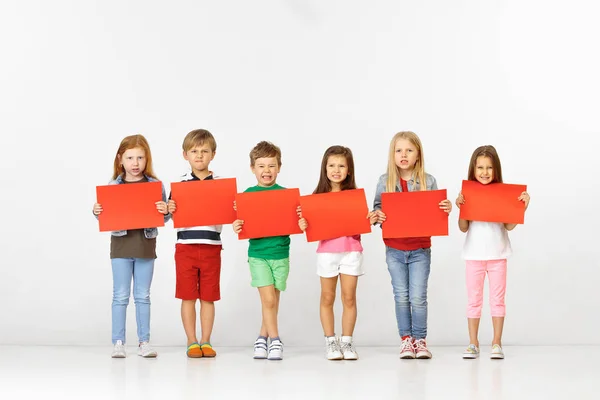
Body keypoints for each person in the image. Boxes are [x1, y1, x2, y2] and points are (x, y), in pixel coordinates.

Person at [373, 131, 452, 359]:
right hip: (395, 249)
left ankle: (420, 340)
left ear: (418, 155)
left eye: (409, 150)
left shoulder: (428, 181)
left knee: (418, 296)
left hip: (419, 249)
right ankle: (406, 340)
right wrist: (378, 216)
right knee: (401, 296)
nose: (403, 154)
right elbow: (378, 208)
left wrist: (444, 208)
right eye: (399, 150)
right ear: (392, 155)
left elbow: (435, 211)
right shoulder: (384, 181)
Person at [92, 134, 170, 358]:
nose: (135, 163)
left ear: (147, 160)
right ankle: (119, 342)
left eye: (140, 158)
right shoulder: (112, 186)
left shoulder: (155, 185)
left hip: (145, 245)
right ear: (120, 160)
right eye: (130, 158)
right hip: (121, 246)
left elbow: (163, 218)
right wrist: (96, 211)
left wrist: (165, 211)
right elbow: (106, 217)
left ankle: (144, 341)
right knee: (120, 295)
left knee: (143, 296)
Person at [298, 145, 377, 360]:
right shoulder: (317, 197)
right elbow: (308, 226)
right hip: (327, 253)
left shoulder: (354, 196)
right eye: (331, 165)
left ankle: (347, 342)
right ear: (324, 168)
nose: (336, 170)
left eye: (341, 165)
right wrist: (304, 222)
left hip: (351, 251)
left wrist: (369, 218)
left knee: (349, 298)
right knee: (327, 296)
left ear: (349, 170)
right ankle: (330, 342)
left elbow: (361, 224)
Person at [456, 145, 530, 360]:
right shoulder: (469, 193)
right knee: (474, 300)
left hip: (498, 255)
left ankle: (496, 342)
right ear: (473, 168)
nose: (485, 172)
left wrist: (521, 208)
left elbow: (508, 226)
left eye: (489, 167)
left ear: (496, 170)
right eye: (480, 167)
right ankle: (473, 343)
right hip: (474, 255)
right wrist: (461, 206)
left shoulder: (502, 194)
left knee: (498, 300)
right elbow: (463, 227)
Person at [167, 129, 223, 358]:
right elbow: (170, 215)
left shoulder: (221, 184)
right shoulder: (179, 185)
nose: (199, 156)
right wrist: (169, 209)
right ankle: (191, 341)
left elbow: (228, 214)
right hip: (185, 248)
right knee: (188, 296)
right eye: (194, 151)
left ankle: (206, 340)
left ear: (213, 154)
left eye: (204, 151)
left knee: (208, 296)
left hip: (211, 247)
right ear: (185, 155)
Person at [233, 141, 289, 360]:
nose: (267, 171)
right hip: (258, 255)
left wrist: (301, 218)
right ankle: (275, 340)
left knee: (273, 301)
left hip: (281, 254)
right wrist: (237, 225)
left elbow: (296, 222)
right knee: (268, 300)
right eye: (261, 166)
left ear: (279, 167)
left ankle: (261, 337)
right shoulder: (247, 195)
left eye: (271, 165)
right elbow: (241, 223)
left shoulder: (286, 195)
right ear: (252, 168)